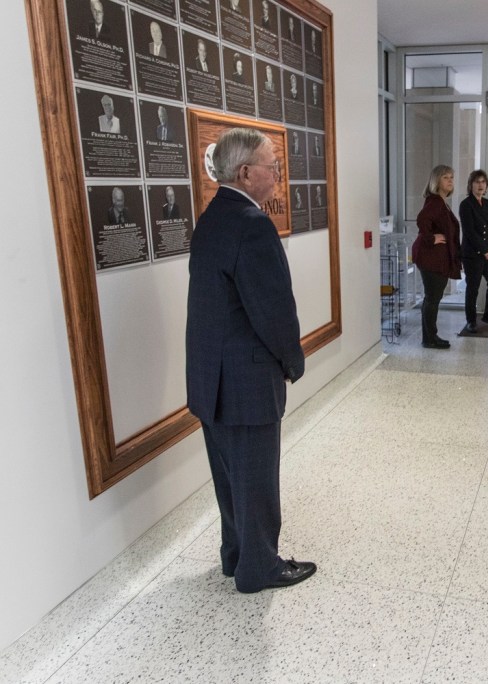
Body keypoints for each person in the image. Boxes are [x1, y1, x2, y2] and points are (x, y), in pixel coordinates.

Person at [186, 128, 315, 593]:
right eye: (272, 166)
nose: (278, 175)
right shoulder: (252, 223)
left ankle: (236, 555)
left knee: (229, 476)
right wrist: (292, 361)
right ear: (246, 172)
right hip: (246, 380)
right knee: (256, 479)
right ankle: (258, 569)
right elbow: (273, 309)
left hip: (210, 378)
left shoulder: (213, 218)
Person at [411, 165, 462, 349]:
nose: (450, 180)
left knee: (432, 298)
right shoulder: (435, 202)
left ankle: (430, 336)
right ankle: (430, 339)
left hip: (435, 259)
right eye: (445, 177)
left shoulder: (441, 202)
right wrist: (432, 238)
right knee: (432, 298)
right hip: (431, 258)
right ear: (436, 181)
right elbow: (422, 220)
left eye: (451, 177)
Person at [459, 169, 488, 333]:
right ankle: (471, 321)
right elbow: (469, 232)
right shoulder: (466, 204)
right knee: (473, 288)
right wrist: (485, 251)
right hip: (472, 255)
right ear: (470, 185)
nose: (480, 185)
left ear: (486, 186)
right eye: (477, 182)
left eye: (483, 182)